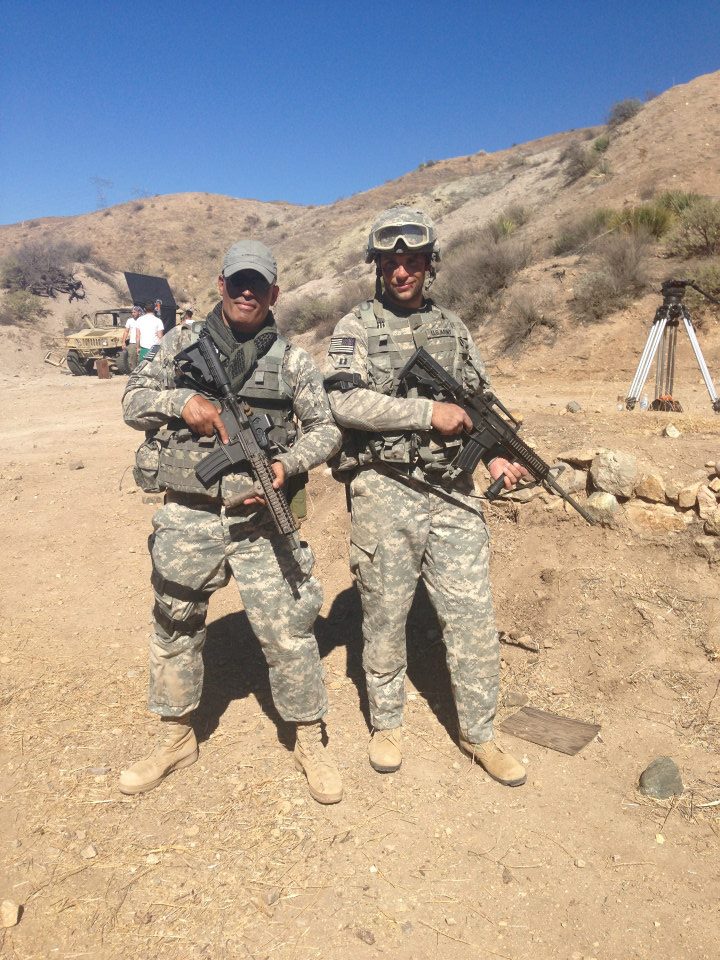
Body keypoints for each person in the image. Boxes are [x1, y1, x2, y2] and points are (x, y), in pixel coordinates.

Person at [120, 240, 344, 804]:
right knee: (175, 619)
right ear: (221, 285)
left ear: (274, 294)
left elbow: (327, 429)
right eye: (237, 281)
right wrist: (181, 404)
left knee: (289, 629)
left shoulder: (293, 360)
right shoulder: (180, 343)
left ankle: (307, 735)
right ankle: (175, 737)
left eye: (259, 285)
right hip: (189, 513)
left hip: (261, 521)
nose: (247, 292)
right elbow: (131, 401)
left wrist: (285, 463)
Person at [324, 207, 528, 787]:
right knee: (385, 612)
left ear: (429, 266)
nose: (403, 272)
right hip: (385, 488)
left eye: (414, 262)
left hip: (452, 491)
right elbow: (344, 403)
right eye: (393, 263)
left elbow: (478, 402)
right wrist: (423, 412)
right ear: (378, 267)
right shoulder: (355, 328)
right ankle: (387, 724)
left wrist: (495, 455)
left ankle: (481, 734)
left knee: (471, 614)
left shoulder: (454, 328)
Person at [122, 305, 142, 371]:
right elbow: (126, 331)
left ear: (139, 312)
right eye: (132, 312)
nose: (133, 314)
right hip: (132, 343)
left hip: (142, 343)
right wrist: (123, 342)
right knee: (132, 359)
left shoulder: (142, 320)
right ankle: (134, 372)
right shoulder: (129, 321)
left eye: (134, 312)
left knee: (141, 359)